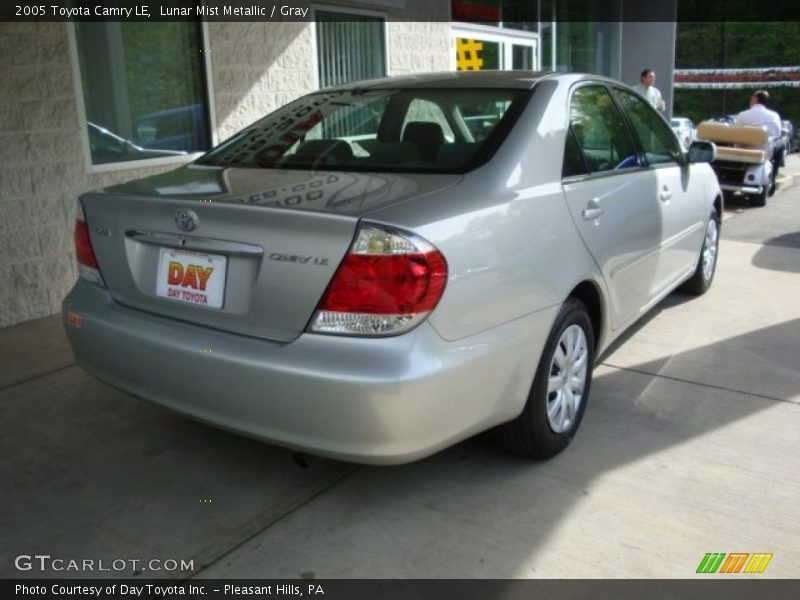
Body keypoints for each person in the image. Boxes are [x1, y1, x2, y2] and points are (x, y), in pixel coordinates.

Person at [734, 90, 783, 182]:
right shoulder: (774, 116)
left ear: (755, 99)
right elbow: (778, 134)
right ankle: (773, 178)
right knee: (781, 144)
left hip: (743, 149)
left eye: (751, 98)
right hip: (765, 151)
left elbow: (736, 132)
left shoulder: (742, 115)